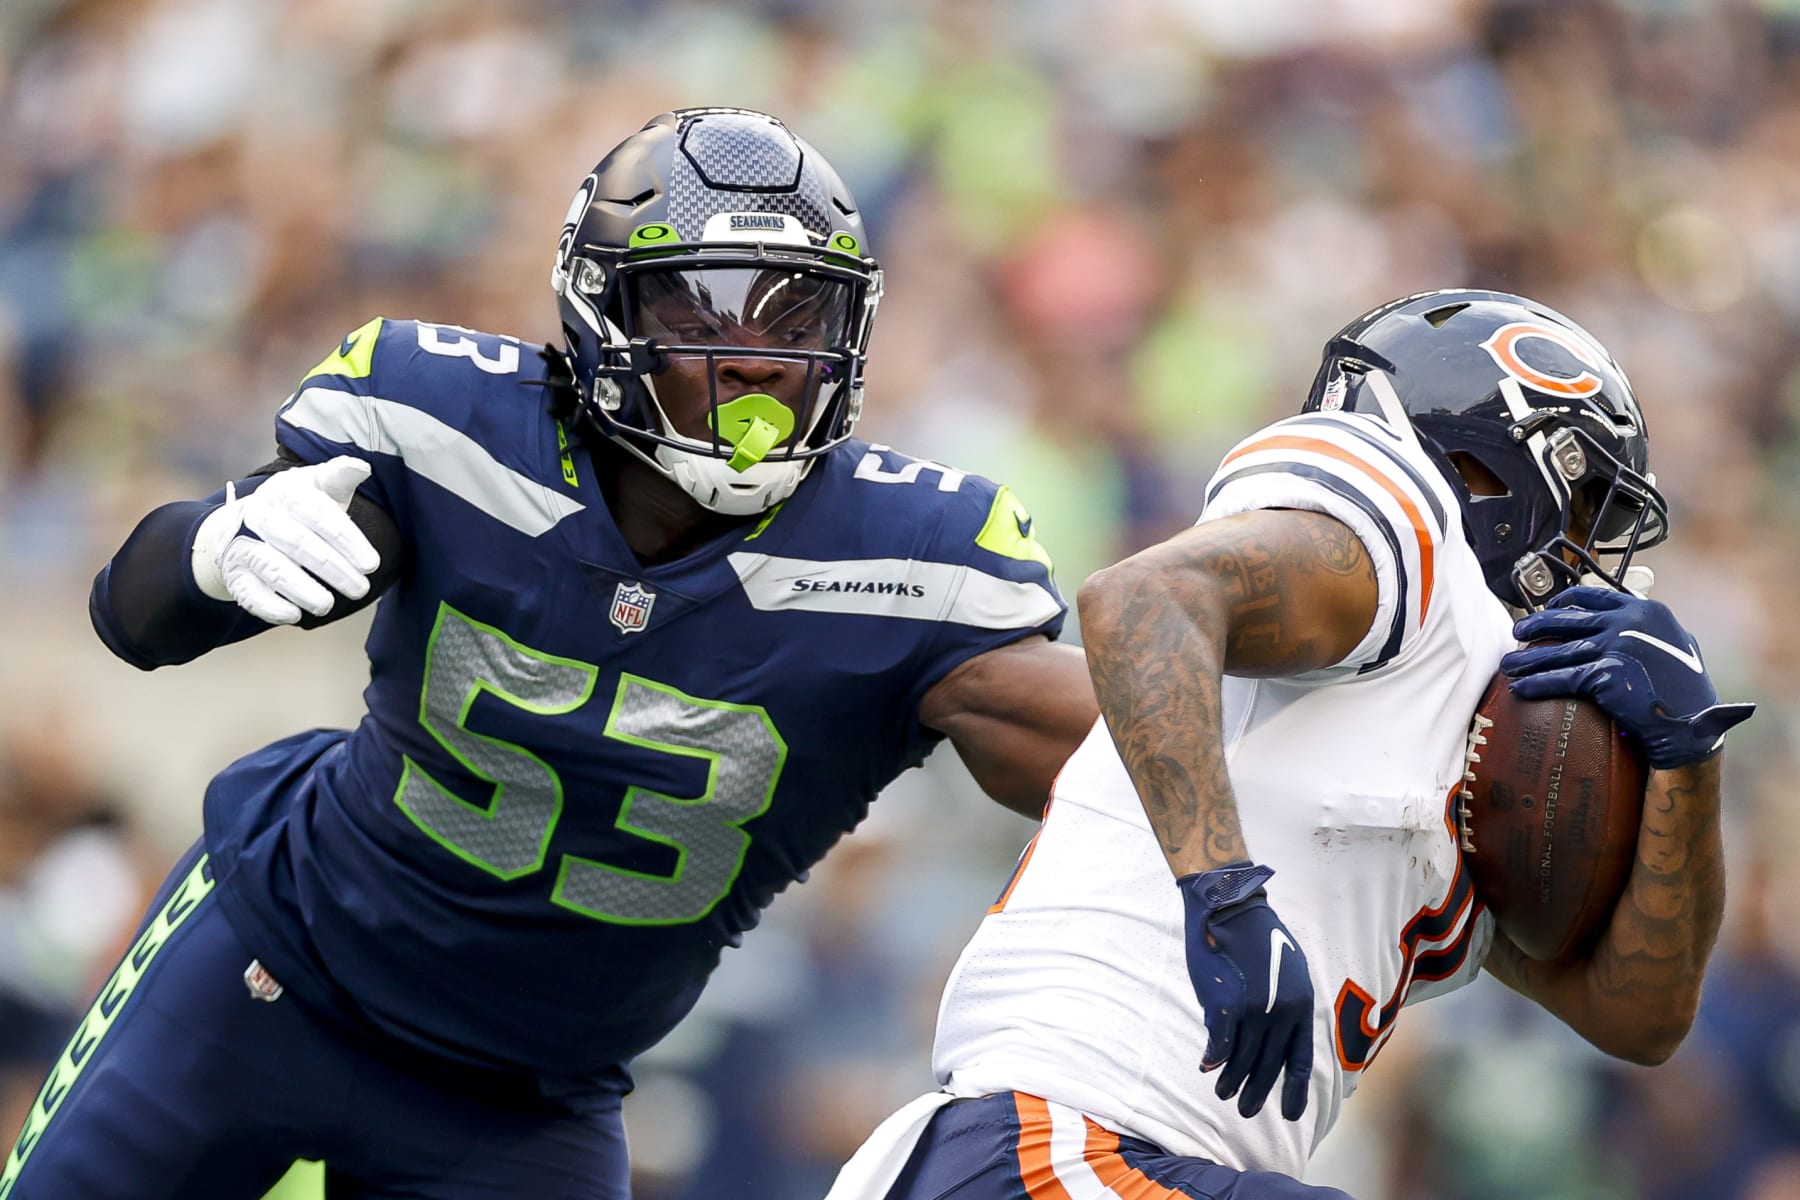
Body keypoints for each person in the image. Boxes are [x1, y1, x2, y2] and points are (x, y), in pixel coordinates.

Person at [0, 108, 1098, 1200]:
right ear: (602, 309)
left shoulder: (915, 562)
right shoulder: (446, 419)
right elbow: (133, 620)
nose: (755, 358)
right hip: (264, 974)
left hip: (524, 1103)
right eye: (702, 306)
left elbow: (1121, 769)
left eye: (799, 310)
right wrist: (208, 549)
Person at [827, 289, 1754, 1199]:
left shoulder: (1493, 757)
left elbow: (1639, 1018)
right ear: (1487, 468)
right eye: (1585, 506)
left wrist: (1688, 756)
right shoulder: (1412, 540)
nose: (1594, 557)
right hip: (1052, 1139)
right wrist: (1222, 892)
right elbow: (1144, 600)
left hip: (1138, 1167)